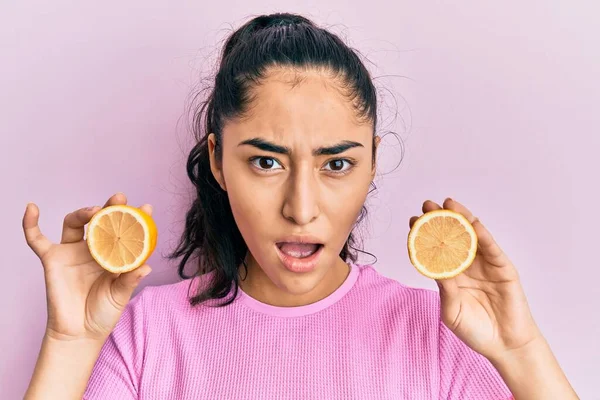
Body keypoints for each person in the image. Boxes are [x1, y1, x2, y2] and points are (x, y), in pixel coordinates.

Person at [22, 12, 578, 400]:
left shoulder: (437, 334)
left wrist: (519, 348)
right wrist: (70, 344)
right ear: (217, 160)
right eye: (267, 162)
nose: (301, 208)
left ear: (372, 163)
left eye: (336, 164)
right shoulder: (146, 335)